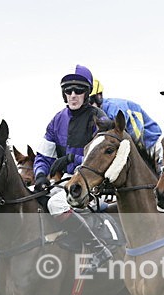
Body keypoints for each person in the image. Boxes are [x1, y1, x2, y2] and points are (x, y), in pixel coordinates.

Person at [33, 65, 112, 275]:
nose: (73, 95)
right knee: (32, 196)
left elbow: (103, 160)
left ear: (87, 94)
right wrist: (41, 175)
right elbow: (44, 155)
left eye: (78, 90)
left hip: (92, 185)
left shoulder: (99, 118)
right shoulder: (57, 120)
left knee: (54, 203)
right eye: (69, 91)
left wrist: (72, 159)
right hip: (66, 182)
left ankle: (99, 250)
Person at [89, 78, 163, 163]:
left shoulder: (115, 110)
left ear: (99, 97)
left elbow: (136, 134)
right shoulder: (95, 115)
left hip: (151, 143)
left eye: (90, 101)